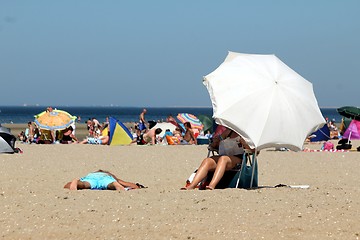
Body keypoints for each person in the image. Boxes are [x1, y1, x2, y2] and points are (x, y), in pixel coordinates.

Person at [181, 127, 254, 190]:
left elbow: (255, 151)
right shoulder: (228, 132)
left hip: (238, 158)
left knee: (223, 159)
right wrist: (216, 142)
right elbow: (213, 145)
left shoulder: (246, 135)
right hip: (225, 155)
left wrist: (245, 145)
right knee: (208, 160)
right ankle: (192, 185)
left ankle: (212, 185)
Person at [64, 170, 145, 191]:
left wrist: (70, 184)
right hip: (106, 178)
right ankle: (115, 184)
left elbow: (67, 185)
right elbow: (125, 183)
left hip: (91, 179)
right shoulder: (108, 175)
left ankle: (77, 182)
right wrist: (136, 186)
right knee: (111, 184)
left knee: (84, 184)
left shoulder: (91, 174)